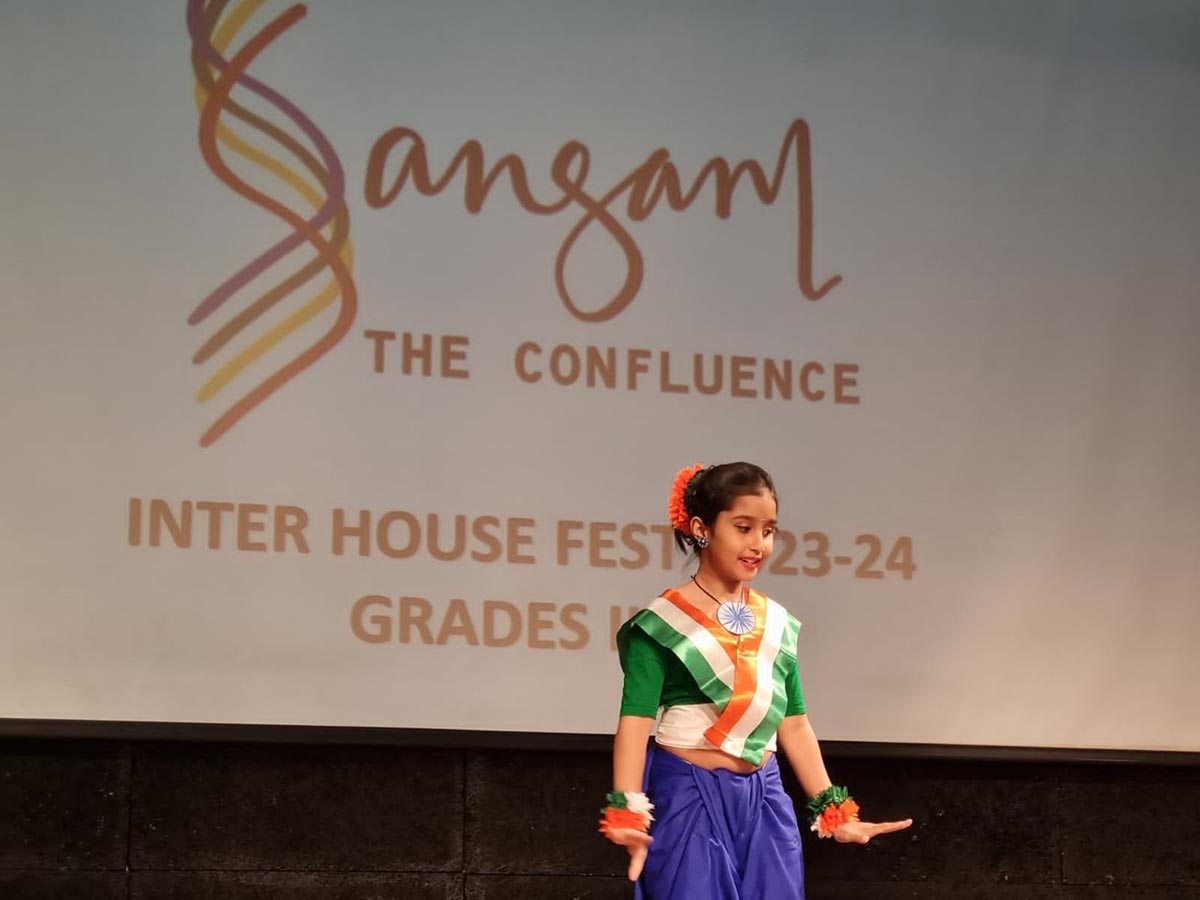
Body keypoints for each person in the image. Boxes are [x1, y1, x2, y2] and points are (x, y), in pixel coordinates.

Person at [600, 462, 912, 899]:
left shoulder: (775, 623)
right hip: (689, 796)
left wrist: (837, 815)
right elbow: (635, 722)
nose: (758, 544)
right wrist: (627, 814)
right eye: (743, 528)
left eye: (768, 531)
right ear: (701, 528)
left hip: (766, 799)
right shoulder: (661, 625)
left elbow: (794, 723)